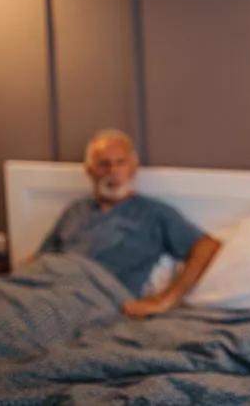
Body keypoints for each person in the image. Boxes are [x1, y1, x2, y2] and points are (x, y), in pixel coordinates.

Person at [39, 129, 220, 318]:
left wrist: (166, 299)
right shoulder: (75, 211)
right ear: (89, 170)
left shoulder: (154, 213)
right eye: (104, 164)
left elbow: (207, 246)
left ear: (133, 168)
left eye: (120, 163)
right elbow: (40, 260)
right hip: (49, 290)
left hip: (95, 302)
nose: (113, 171)